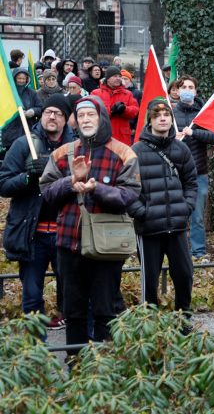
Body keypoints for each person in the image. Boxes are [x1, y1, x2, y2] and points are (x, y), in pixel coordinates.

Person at [39, 96, 141, 356]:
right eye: (81, 116)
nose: (85, 120)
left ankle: (102, 369)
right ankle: (76, 366)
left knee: (105, 309)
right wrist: (69, 182)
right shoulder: (63, 153)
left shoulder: (124, 152)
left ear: (101, 117)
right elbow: (47, 192)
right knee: (72, 311)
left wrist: (98, 189)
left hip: (106, 246)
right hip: (68, 244)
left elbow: (130, 195)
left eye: (90, 115)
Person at [0, 94, 75, 330]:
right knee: (32, 296)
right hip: (33, 235)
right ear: (42, 115)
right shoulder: (24, 144)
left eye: (58, 113)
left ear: (66, 119)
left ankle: (76, 353)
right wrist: (27, 177)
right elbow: (3, 184)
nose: (52, 117)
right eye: (48, 112)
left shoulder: (75, 147)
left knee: (72, 296)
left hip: (66, 233)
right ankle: (36, 354)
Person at [129, 99, 197, 315]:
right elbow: (128, 189)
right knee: (149, 281)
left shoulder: (181, 149)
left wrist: (186, 207)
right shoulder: (136, 150)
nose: (163, 118)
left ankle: (182, 318)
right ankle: (151, 322)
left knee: (185, 275)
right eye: (157, 115)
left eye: (166, 114)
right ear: (150, 119)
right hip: (149, 228)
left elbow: (191, 183)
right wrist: (142, 213)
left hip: (176, 226)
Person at [173, 75, 214, 259]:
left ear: (195, 91)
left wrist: (194, 133)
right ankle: (177, 251)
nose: (187, 89)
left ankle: (198, 251)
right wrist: (172, 137)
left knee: (198, 216)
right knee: (177, 214)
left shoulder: (204, 114)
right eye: (183, 86)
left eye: (190, 87)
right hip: (175, 173)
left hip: (199, 172)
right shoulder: (170, 113)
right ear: (177, 91)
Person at [90, 66, 140, 146]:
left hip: (122, 138)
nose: (118, 78)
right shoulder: (96, 93)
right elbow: (92, 111)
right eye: (115, 76)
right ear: (108, 78)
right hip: (103, 137)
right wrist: (111, 111)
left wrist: (124, 109)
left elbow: (135, 110)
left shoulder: (127, 94)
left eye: (119, 76)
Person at [1, 68, 42, 157]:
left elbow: (40, 108)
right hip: (10, 133)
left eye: (23, 78)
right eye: (19, 78)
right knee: (11, 158)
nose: (21, 80)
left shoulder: (32, 93)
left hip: (27, 131)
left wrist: (32, 111)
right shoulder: (8, 93)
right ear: (14, 78)